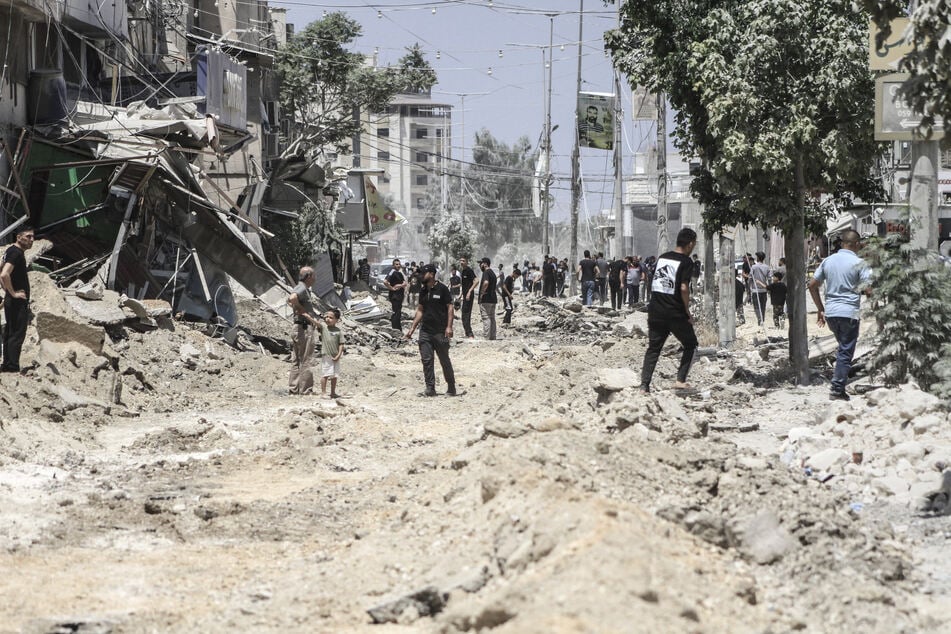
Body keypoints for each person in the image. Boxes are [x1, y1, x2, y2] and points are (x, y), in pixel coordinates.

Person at [808, 229, 872, 401]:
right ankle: (837, 389)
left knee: (844, 348)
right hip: (849, 313)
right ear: (857, 244)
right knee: (845, 351)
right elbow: (868, 289)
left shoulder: (828, 261)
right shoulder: (860, 263)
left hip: (831, 314)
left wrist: (821, 309)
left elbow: (812, 285)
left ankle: (843, 374)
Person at [640, 228, 699, 393]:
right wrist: (687, 311)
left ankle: (644, 386)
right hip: (675, 312)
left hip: (655, 310)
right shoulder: (687, 262)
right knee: (691, 344)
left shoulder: (663, 257)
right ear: (690, 244)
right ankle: (680, 380)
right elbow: (684, 288)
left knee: (654, 348)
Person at [405, 264, 459, 397]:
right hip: (425, 331)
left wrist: (449, 326)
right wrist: (412, 328)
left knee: (444, 360)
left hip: (440, 331)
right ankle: (430, 388)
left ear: (432, 274)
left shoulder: (442, 289)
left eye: (423, 273)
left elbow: (450, 308)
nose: (421, 276)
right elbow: (420, 310)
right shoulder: (423, 290)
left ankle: (451, 387)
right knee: (427, 360)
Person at [0, 225, 34, 372]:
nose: (32, 240)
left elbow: (0, 269)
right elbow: (4, 274)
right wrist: (13, 293)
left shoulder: (10, 251)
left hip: (11, 299)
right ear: (19, 237)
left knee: (10, 330)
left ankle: (7, 364)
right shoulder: (16, 253)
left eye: (33, 237)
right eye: (28, 236)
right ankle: (12, 366)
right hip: (16, 300)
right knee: (18, 332)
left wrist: (6, 289)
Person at [287, 266, 319, 395]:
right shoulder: (302, 287)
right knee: (306, 359)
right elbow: (292, 298)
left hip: (298, 327)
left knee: (296, 360)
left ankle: (294, 389)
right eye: (314, 276)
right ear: (309, 276)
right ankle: (305, 390)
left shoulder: (299, 287)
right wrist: (302, 309)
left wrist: (297, 307)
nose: (315, 278)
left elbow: (290, 301)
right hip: (304, 328)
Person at [316, 308, 344, 398]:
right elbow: (317, 324)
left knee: (334, 375)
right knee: (325, 374)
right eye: (326, 317)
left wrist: (339, 355)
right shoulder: (324, 327)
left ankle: (333, 393)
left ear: (337, 320)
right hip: (327, 355)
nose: (328, 319)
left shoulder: (338, 331)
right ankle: (323, 393)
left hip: (335, 356)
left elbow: (341, 344)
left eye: (331, 317)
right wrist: (308, 316)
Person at [478, 257, 498, 340]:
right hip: (493, 298)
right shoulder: (492, 273)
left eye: (481, 263)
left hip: (486, 299)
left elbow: (486, 283)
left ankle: (486, 337)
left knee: (486, 317)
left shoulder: (486, 272)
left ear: (485, 264)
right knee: (492, 317)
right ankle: (492, 336)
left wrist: (482, 293)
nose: (480, 265)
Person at [384, 258, 407, 330]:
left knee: (398, 312)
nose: (398, 265)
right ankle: (395, 328)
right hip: (395, 296)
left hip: (400, 296)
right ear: (393, 265)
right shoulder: (392, 272)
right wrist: (392, 288)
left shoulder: (399, 273)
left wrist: (399, 285)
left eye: (399, 264)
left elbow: (405, 283)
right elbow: (385, 281)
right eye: (396, 264)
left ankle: (398, 328)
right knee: (396, 313)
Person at [750, 251, 770, 325]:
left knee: (756, 306)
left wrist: (750, 288)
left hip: (755, 290)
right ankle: (762, 320)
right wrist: (769, 289)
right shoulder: (767, 267)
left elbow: (750, 277)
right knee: (763, 306)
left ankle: (759, 319)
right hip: (764, 290)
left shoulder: (754, 267)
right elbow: (769, 278)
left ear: (758, 258)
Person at [459, 257, 477, 338]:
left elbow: (476, 281)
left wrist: (469, 292)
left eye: (463, 261)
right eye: (460, 261)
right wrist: (461, 295)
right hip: (465, 295)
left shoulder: (469, 270)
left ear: (467, 262)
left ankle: (470, 334)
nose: (461, 262)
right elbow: (464, 285)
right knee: (463, 314)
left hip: (469, 296)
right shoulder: (463, 271)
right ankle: (467, 332)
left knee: (466, 314)